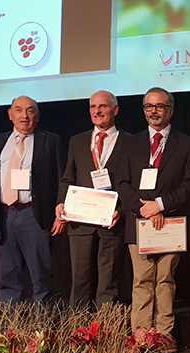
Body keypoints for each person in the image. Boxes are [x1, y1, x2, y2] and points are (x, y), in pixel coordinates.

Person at [114, 87, 190, 353]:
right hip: (138, 222)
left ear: (170, 110)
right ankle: (140, 338)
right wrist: (143, 209)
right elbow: (122, 182)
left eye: (160, 106)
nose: (154, 111)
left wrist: (160, 205)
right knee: (141, 281)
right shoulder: (129, 142)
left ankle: (163, 336)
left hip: (169, 223)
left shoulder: (187, 144)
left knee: (165, 281)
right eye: (149, 106)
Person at [0, 96, 66, 303]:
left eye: (30, 111)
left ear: (37, 116)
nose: (24, 116)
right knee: (8, 280)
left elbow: (63, 181)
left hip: (34, 215)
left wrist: (62, 215)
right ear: (10, 115)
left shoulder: (51, 141)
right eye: (18, 110)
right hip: (3, 217)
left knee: (41, 280)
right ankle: (11, 332)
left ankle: (43, 332)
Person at [56, 90, 127, 307]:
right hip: (81, 222)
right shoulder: (77, 141)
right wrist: (61, 203)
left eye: (103, 106)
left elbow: (132, 185)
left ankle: (105, 334)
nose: (97, 111)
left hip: (111, 221)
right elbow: (68, 178)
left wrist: (121, 211)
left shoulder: (130, 142)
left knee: (108, 284)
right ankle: (77, 333)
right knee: (80, 282)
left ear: (115, 109)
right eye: (93, 107)